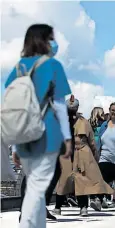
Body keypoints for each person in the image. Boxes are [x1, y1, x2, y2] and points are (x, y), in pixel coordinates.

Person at [5, 24, 72, 228]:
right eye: (51, 38)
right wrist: (67, 137)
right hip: (47, 133)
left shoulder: (19, 67)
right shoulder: (53, 65)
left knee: (37, 187)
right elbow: (60, 105)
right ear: (44, 40)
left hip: (24, 134)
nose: (54, 42)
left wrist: (15, 145)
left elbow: (17, 106)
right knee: (37, 188)